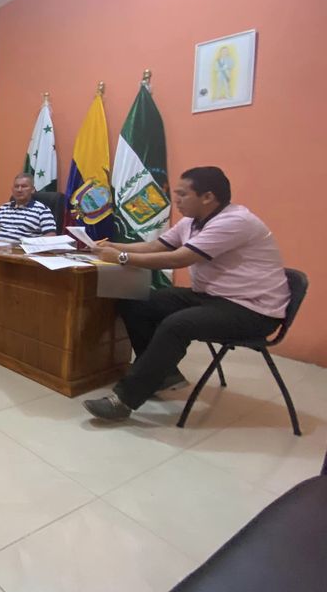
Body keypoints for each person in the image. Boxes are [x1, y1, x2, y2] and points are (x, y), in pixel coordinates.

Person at [83, 167, 289, 422]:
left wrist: (121, 258)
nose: (176, 200)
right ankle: (163, 375)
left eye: (182, 194)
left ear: (208, 197)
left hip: (252, 309)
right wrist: (113, 246)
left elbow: (179, 258)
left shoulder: (234, 221)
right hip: (213, 296)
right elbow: (156, 246)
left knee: (178, 325)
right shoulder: (192, 220)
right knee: (136, 301)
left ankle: (124, 400)